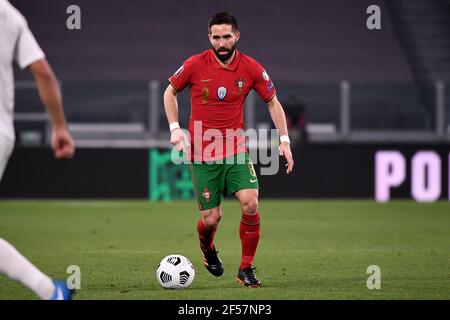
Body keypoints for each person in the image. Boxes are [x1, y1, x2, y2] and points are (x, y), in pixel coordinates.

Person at [163, 11, 294, 287]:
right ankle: (207, 248)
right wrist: (175, 129)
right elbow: (169, 92)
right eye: (215, 37)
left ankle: (245, 268)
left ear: (236, 36)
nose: (221, 43)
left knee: (251, 202)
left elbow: (273, 102)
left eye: (226, 37)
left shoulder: (251, 68)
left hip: (235, 151)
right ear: (209, 37)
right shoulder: (195, 64)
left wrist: (284, 140)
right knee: (211, 218)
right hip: (202, 154)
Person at [0, 0, 75, 299]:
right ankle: (50, 291)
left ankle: (49, 291)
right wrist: (59, 127)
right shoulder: (9, 14)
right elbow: (42, 72)